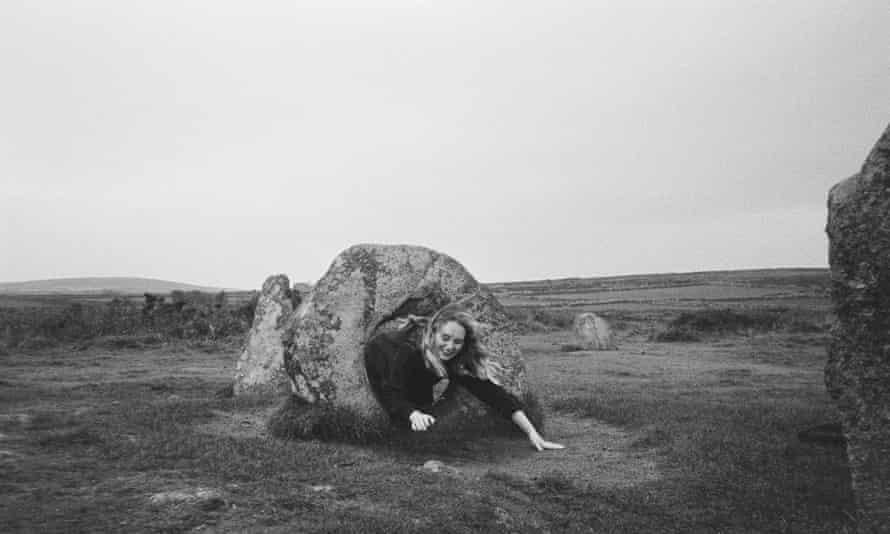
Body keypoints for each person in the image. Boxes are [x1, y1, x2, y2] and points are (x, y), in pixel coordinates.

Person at [363, 304, 564, 451]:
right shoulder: (407, 352)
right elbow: (391, 392)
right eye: (446, 338)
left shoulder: (454, 361)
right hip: (381, 360)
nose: (450, 347)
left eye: (457, 342)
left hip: (414, 382)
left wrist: (531, 432)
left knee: (422, 404)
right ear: (433, 333)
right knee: (405, 407)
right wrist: (412, 413)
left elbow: (494, 394)